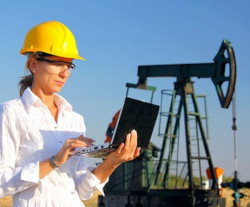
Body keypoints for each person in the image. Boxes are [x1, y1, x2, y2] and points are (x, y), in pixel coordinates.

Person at [0, 21, 140, 207]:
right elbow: (1, 183)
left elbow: (82, 191)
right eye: (57, 63)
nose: (64, 73)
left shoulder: (74, 120)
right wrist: (53, 162)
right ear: (33, 64)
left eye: (69, 66)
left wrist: (112, 162)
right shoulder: (11, 112)